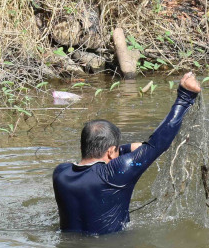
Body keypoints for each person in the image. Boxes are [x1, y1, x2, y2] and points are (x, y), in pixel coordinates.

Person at [52, 72, 201, 235]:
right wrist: (184, 97)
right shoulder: (114, 173)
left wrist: (120, 149)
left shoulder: (61, 173)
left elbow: (111, 156)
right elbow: (157, 144)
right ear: (110, 152)